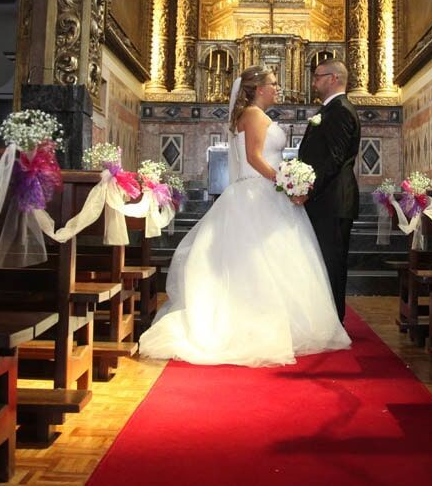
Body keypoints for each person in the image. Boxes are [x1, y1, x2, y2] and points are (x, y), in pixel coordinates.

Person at [138, 65, 351, 366]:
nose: (278, 88)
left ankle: (281, 323)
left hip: (266, 192)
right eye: (273, 83)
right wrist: (284, 181)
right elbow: (254, 157)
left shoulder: (254, 115)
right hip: (259, 193)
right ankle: (257, 326)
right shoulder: (252, 115)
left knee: (273, 264)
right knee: (259, 262)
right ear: (259, 88)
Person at [296, 59, 361, 323]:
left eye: (318, 76)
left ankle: (334, 320)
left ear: (333, 78)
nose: (314, 82)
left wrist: (309, 190)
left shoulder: (341, 110)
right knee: (322, 260)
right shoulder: (331, 109)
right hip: (326, 199)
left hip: (332, 199)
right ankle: (325, 318)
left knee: (332, 262)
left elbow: (334, 159)